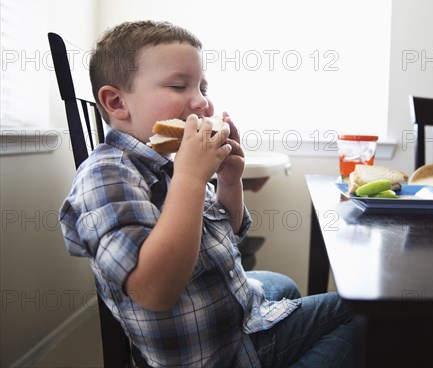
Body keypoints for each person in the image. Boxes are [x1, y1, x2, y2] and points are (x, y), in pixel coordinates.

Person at [59, 20, 353, 367]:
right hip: (214, 353)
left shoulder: (168, 162)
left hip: (222, 317)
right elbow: (153, 291)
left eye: (203, 86)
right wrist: (191, 178)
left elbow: (224, 236)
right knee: (360, 312)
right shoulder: (105, 176)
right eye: (179, 85)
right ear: (117, 102)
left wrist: (229, 181)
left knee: (281, 284)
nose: (202, 102)